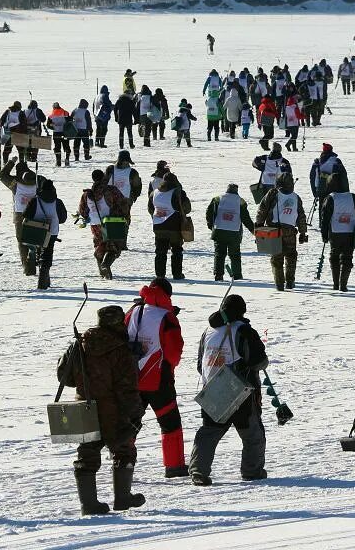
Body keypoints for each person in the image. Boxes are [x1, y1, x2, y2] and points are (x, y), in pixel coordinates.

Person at [69, 305, 146, 515]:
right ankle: (122, 498)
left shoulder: (81, 344)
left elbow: (64, 377)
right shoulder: (120, 349)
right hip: (113, 408)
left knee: (87, 452)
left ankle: (88, 504)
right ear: (119, 323)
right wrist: (135, 413)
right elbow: (127, 387)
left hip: (84, 405)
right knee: (124, 449)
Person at [189, 294, 268, 485]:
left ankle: (198, 470)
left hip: (213, 387)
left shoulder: (208, 331)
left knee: (208, 432)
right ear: (242, 311)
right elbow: (258, 362)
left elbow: (200, 364)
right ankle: (252, 471)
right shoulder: (244, 330)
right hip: (240, 390)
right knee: (252, 433)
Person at [126, 278, 188, 479]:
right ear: (167, 295)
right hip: (159, 380)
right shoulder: (167, 317)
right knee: (170, 423)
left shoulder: (133, 311)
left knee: (130, 424)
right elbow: (173, 354)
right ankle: (174, 467)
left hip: (133, 378)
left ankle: (123, 465)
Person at [255, 172, 308, 291]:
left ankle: (279, 284)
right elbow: (301, 216)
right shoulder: (296, 197)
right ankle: (290, 282)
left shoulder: (273, 193)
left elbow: (262, 209)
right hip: (290, 231)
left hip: (274, 230)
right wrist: (303, 232)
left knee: (277, 258)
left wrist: (259, 225)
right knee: (291, 256)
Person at [80, 169, 130, 279]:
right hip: (111, 222)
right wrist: (124, 215)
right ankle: (106, 265)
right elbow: (122, 203)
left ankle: (102, 269)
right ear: (103, 178)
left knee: (100, 245)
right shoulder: (111, 190)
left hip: (95, 224)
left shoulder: (86, 194)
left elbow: (83, 212)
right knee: (115, 246)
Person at [320, 172, 355, 292]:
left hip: (335, 233)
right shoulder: (354, 197)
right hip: (350, 232)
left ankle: (336, 284)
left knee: (334, 257)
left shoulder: (330, 198)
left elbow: (325, 219)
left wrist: (324, 234)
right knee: (347, 258)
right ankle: (343, 285)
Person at [22, 179, 68, 290]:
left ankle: (44, 280)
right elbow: (63, 219)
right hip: (51, 232)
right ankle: (43, 281)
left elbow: (26, 215)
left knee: (41, 252)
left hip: (36, 230)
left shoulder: (35, 201)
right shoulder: (58, 202)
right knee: (47, 253)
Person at [206, 183, 255, 281]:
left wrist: (211, 226)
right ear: (236, 191)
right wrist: (253, 230)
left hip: (219, 230)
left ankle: (218, 275)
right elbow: (246, 218)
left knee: (219, 253)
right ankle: (237, 275)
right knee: (235, 254)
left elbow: (209, 212)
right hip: (234, 232)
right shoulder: (240, 201)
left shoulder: (217, 198)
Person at [0, 158, 40, 274]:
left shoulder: (15, 184)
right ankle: (37, 259)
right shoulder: (38, 182)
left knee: (22, 242)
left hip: (20, 215)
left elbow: (2, 175)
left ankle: (27, 267)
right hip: (36, 215)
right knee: (36, 239)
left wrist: (11, 162)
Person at [149, 172, 191, 281]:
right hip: (174, 226)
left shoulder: (154, 193)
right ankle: (177, 274)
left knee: (160, 251)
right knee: (176, 250)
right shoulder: (178, 192)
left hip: (158, 226)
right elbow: (187, 208)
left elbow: (150, 208)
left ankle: (160, 275)